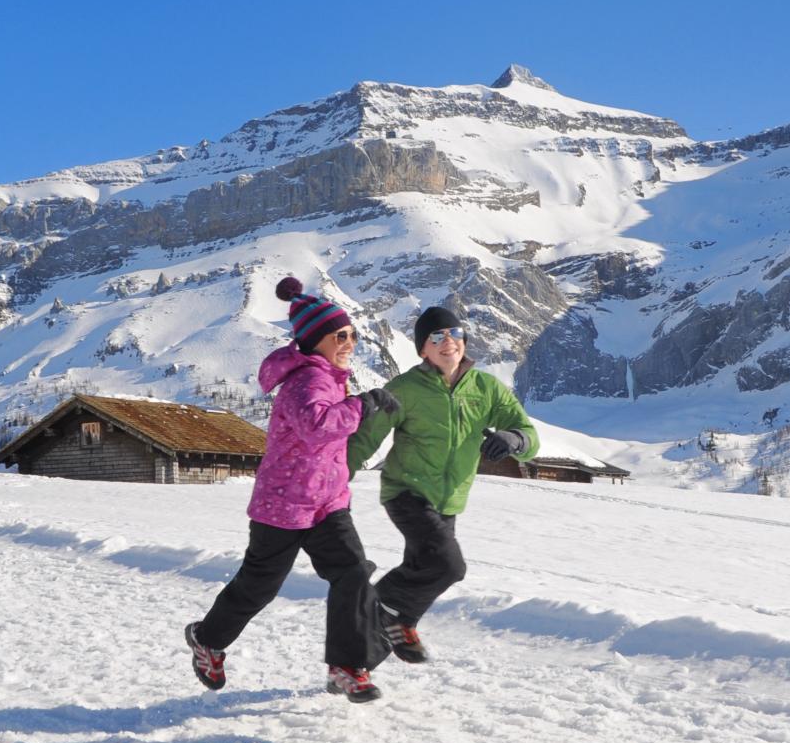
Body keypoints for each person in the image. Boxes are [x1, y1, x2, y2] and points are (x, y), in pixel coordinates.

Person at [184, 276, 401, 703]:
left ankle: (346, 667)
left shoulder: (329, 377)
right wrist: (364, 404)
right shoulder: (307, 382)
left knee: (353, 573)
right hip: (283, 506)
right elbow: (317, 427)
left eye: (353, 334)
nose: (350, 342)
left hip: (326, 504)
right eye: (341, 335)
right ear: (316, 339)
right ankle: (207, 640)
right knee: (258, 587)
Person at [346, 303, 539, 660]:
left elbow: (528, 433)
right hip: (406, 492)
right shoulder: (404, 388)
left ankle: (356, 663)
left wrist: (515, 439)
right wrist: (335, 475)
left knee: (421, 575)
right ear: (423, 349)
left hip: (448, 501)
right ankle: (373, 608)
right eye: (437, 336)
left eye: (455, 333)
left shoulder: (486, 388)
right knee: (449, 566)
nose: (448, 341)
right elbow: (366, 437)